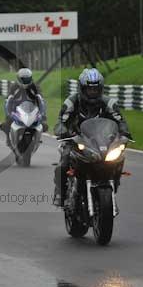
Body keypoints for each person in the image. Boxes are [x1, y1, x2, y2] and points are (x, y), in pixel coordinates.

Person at [52, 68, 131, 206]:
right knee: (64, 162)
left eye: (96, 89)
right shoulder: (72, 101)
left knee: (119, 155)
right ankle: (61, 193)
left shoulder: (108, 103)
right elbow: (61, 121)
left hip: (101, 141)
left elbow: (120, 121)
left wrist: (124, 134)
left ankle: (114, 181)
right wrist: (63, 131)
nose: (93, 92)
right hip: (76, 140)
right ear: (82, 88)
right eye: (89, 89)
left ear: (101, 89)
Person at [0, 68, 48, 147]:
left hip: (31, 109)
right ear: (19, 79)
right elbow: (8, 100)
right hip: (17, 110)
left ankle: (37, 138)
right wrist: (9, 113)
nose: (25, 81)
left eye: (27, 79)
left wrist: (42, 114)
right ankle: (8, 139)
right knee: (7, 123)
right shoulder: (14, 87)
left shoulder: (35, 87)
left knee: (44, 124)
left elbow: (41, 100)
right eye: (23, 79)